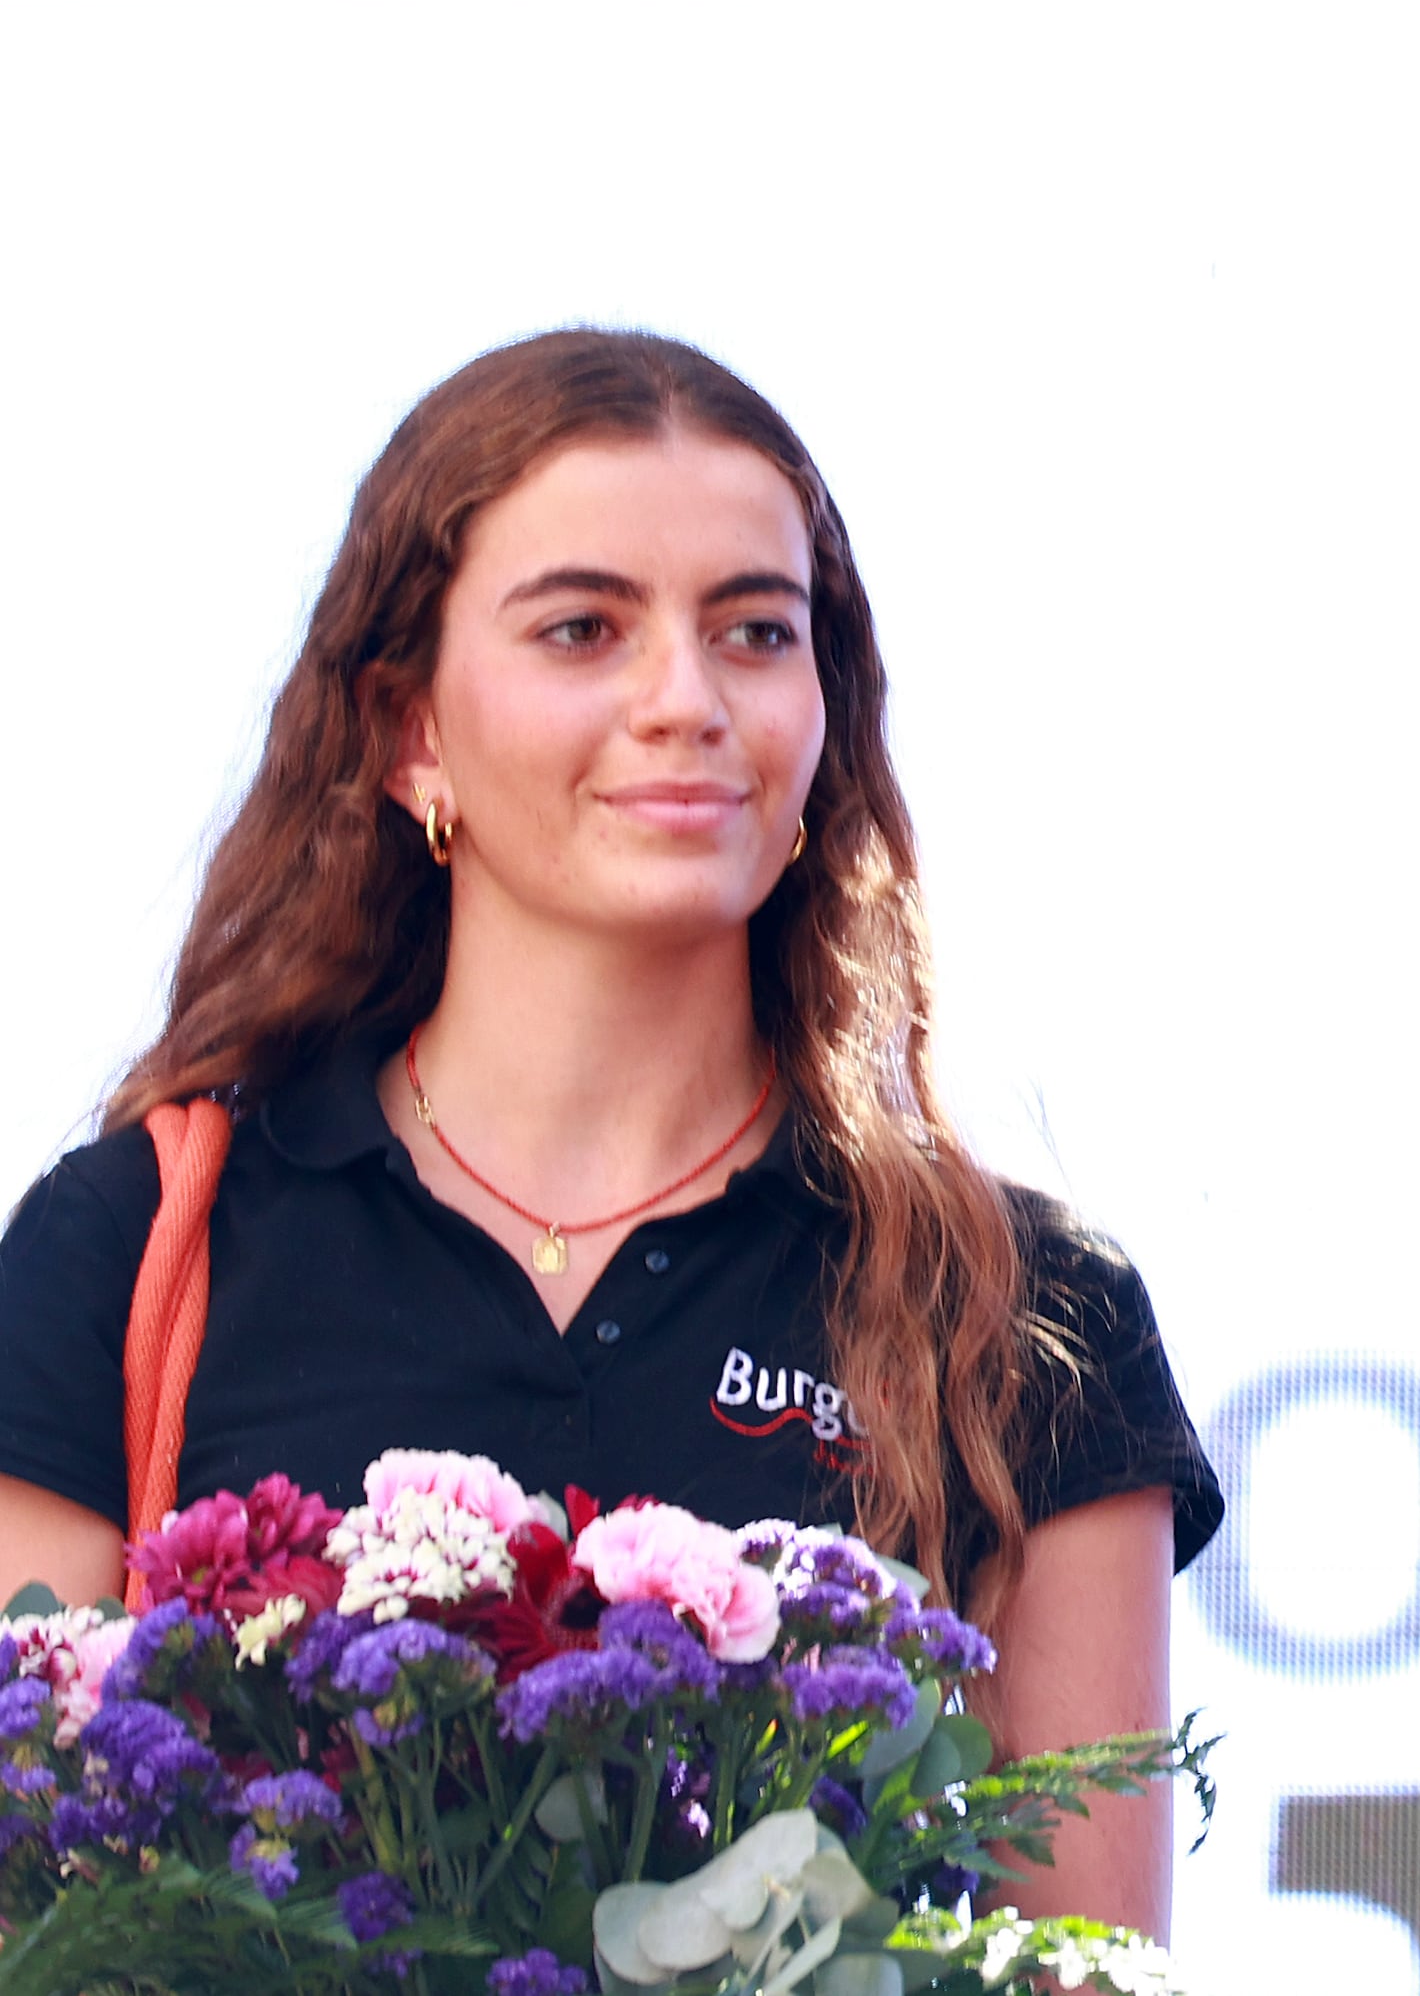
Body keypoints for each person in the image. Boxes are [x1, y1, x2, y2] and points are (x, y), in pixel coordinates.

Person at [0, 330, 1221, 1933]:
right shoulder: (136, 1237)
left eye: (754, 631)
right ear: (407, 731)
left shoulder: (1025, 1306)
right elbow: (43, 1910)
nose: (686, 700)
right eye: (585, 628)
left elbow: (1078, 1968)